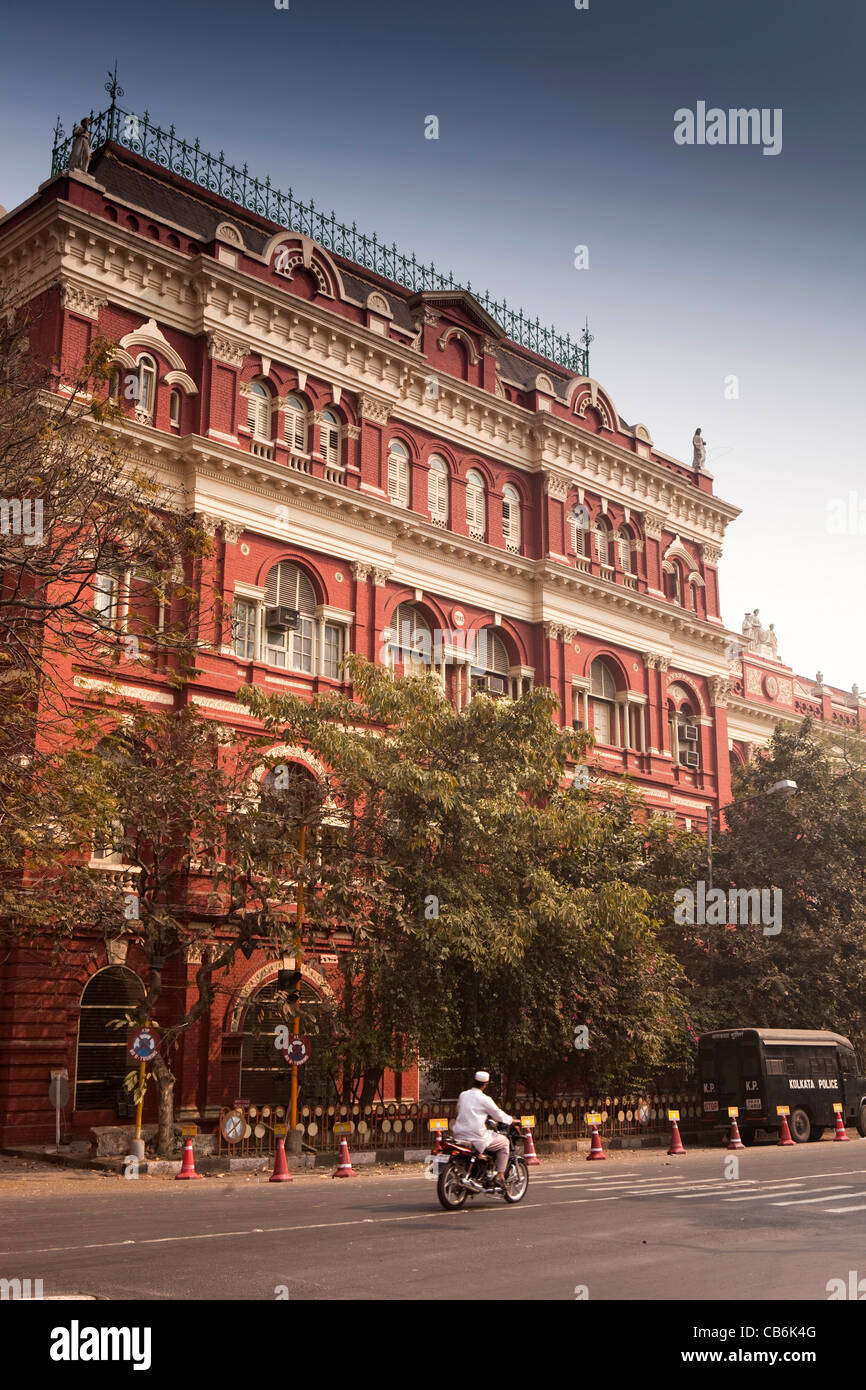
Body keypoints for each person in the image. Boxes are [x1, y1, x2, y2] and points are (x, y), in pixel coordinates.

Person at [452, 1071, 515, 1190]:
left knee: (490, 1137)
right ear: (485, 1084)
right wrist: (512, 1120)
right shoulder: (485, 1099)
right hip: (476, 1136)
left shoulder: (463, 1095)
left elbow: (458, 1109)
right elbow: (498, 1114)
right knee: (504, 1142)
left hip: (459, 1134)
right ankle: (500, 1176)